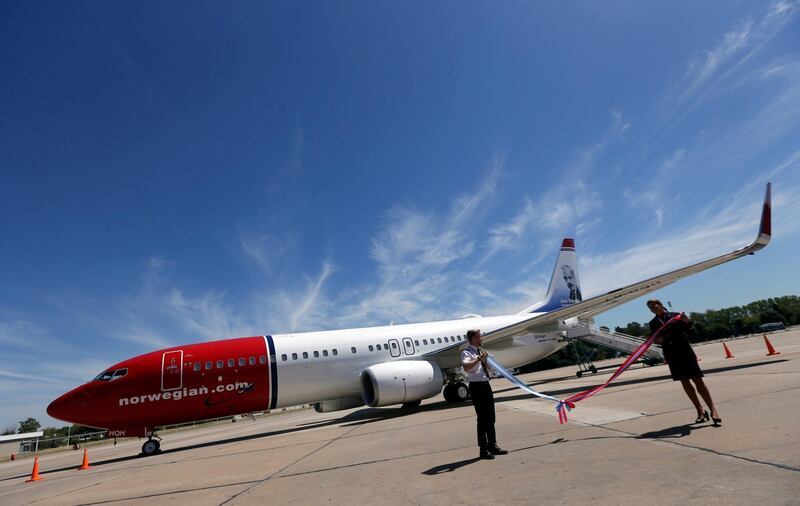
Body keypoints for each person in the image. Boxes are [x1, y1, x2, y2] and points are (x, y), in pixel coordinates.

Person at [647, 299, 722, 425]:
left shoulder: (676, 316)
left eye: (655, 305)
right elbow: (657, 339)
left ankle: (713, 409)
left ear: (661, 304)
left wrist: (687, 321)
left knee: (698, 380)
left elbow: (690, 329)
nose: (653, 307)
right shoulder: (653, 323)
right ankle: (700, 410)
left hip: (685, 351)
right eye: (650, 307)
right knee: (685, 381)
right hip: (671, 354)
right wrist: (658, 340)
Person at [461, 329, 508, 459]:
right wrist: (478, 359)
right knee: (482, 419)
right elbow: (466, 367)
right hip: (476, 387)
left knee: (491, 417)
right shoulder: (467, 352)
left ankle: (493, 446)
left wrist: (485, 361)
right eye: (479, 337)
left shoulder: (480, 351)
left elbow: (487, 369)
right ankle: (483, 450)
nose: (481, 339)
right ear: (473, 339)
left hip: (485, 385)